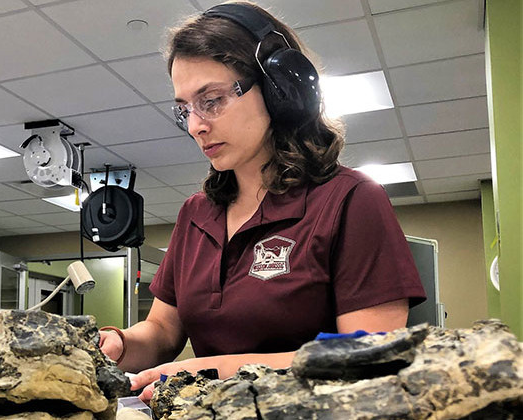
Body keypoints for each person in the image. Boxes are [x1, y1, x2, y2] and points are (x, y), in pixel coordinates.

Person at [99, 1, 426, 402]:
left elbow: (367, 355)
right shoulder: (196, 214)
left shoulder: (352, 200)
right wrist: (118, 343)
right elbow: (164, 331)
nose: (196, 125)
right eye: (184, 109)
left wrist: (207, 371)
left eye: (212, 100)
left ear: (280, 92)